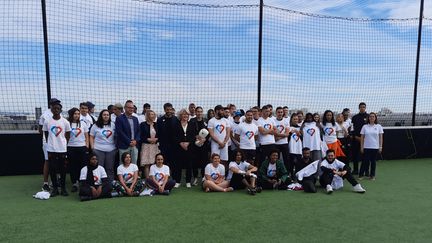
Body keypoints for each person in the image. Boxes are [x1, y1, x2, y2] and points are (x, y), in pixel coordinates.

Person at [42, 102, 71, 196]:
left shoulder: (65, 122)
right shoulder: (47, 121)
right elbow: (46, 134)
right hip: (51, 149)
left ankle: (63, 188)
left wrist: (62, 143)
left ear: (61, 110)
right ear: (51, 110)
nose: (56, 110)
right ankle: (55, 189)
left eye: (58, 108)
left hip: (62, 149)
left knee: (63, 169)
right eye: (54, 108)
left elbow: (67, 135)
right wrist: (51, 143)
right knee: (52, 169)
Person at [39, 98, 61, 191]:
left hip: (59, 141)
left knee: (59, 160)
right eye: (56, 104)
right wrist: (47, 139)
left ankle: (57, 180)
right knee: (48, 161)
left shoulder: (59, 113)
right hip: (48, 142)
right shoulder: (45, 115)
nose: (57, 106)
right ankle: (45, 183)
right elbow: (41, 129)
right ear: (51, 105)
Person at [90, 109, 116, 182]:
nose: (106, 116)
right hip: (98, 150)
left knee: (110, 168)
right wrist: (92, 147)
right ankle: (98, 182)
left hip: (111, 150)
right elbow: (91, 136)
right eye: (104, 115)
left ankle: (110, 183)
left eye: (107, 115)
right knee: (99, 167)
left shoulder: (113, 125)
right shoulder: (95, 125)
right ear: (101, 116)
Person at [67, 107, 89, 193]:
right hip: (71, 147)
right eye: (75, 114)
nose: (76, 115)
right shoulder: (67, 124)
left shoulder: (83, 124)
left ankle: (82, 182)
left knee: (83, 166)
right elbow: (66, 137)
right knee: (73, 166)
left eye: (78, 114)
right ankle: (74, 183)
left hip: (82, 147)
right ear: (71, 115)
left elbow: (86, 136)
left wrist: (86, 146)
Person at [173, 109, 195, 188]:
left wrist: (188, 143)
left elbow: (193, 136)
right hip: (179, 148)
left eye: (186, 115)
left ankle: (188, 181)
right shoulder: (176, 124)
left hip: (189, 147)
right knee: (178, 165)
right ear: (180, 116)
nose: (185, 116)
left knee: (189, 164)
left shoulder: (192, 124)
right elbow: (174, 136)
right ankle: (178, 181)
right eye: (183, 114)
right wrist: (180, 143)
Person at [115, 100, 141, 165]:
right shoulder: (119, 118)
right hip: (124, 145)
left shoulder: (135, 119)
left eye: (132, 108)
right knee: (122, 164)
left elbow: (138, 131)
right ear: (125, 108)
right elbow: (120, 132)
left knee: (134, 164)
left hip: (134, 145)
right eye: (129, 107)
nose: (131, 109)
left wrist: (135, 141)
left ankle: (134, 175)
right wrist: (129, 142)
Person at [360, 112, 384, 180]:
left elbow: (380, 137)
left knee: (373, 162)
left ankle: (372, 176)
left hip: (375, 147)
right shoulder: (364, 126)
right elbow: (362, 138)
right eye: (370, 116)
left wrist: (380, 147)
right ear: (368, 118)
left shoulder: (379, 126)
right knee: (365, 161)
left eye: (373, 116)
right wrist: (361, 147)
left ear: (375, 118)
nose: (371, 118)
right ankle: (361, 175)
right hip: (366, 147)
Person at [189, 106, 210, 183]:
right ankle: (195, 177)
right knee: (194, 161)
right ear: (195, 112)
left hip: (204, 145)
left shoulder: (206, 121)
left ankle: (203, 177)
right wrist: (196, 137)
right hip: (194, 145)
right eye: (198, 111)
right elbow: (190, 132)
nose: (199, 113)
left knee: (204, 161)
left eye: (201, 111)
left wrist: (204, 139)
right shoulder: (191, 121)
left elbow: (208, 133)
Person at [157, 103, 179, 169]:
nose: (169, 111)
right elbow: (158, 132)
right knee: (164, 161)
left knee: (173, 162)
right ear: (164, 110)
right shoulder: (160, 120)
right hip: (164, 145)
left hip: (174, 145)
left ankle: (173, 176)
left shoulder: (176, 119)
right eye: (167, 109)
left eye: (170, 109)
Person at [139, 109, 160, 179]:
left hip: (155, 146)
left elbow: (160, 135)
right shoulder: (142, 124)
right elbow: (140, 136)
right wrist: (148, 139)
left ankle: (155, 179)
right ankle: (148, 180)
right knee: (147, 164)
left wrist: (156, 139)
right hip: (146, 146)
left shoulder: (157, 124)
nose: (152, 116)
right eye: (151, 114)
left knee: (154, 163)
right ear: (147, 115)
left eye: (153, 114)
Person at [273, 107, 291, 177]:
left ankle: (287, 175)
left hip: (284, 143)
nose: (280, 113)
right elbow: (274, 131)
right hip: (276, 144)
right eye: (278, 112)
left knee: (286, 160)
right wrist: (276, 138)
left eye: (281, 112)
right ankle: (276, 174)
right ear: (276, 113)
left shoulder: (286, 121)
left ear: (283, 113)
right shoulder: (273, 120)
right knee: (275, 160)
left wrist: (278, 137)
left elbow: (287, 133)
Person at [351, 102, 368, 175]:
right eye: (361, 107)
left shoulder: (368, 116)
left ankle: (366, 171)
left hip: (366, 140)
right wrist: (355, 137)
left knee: (366, 156)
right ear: (359, 108)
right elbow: (352, 129)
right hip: (356, 139)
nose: (362, 108)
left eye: (363, 107)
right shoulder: (354, 117)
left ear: (365, 108)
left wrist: (364, 138)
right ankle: (355, 170)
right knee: (355, 155)